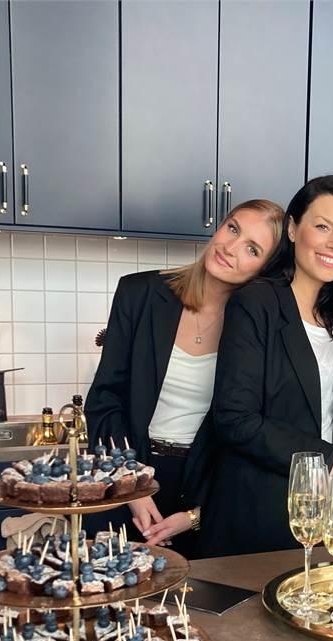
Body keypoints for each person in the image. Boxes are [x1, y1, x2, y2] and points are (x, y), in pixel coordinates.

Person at [84, 199, 284, 553]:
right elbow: (104, 401)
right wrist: (130, 483)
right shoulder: (139, 293)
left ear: (265, 268)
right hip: (125, 475)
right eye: (233, 228)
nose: (230, 247)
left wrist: (196, 515)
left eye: (252, 249)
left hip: (205, 493)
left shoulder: (258, 328)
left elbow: (250, 433)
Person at [199, 175, 333, 558]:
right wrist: (326, 459)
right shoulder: (256, 303)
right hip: (260, 514)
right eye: (322, 227)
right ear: (293, 229)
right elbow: (234, 418)